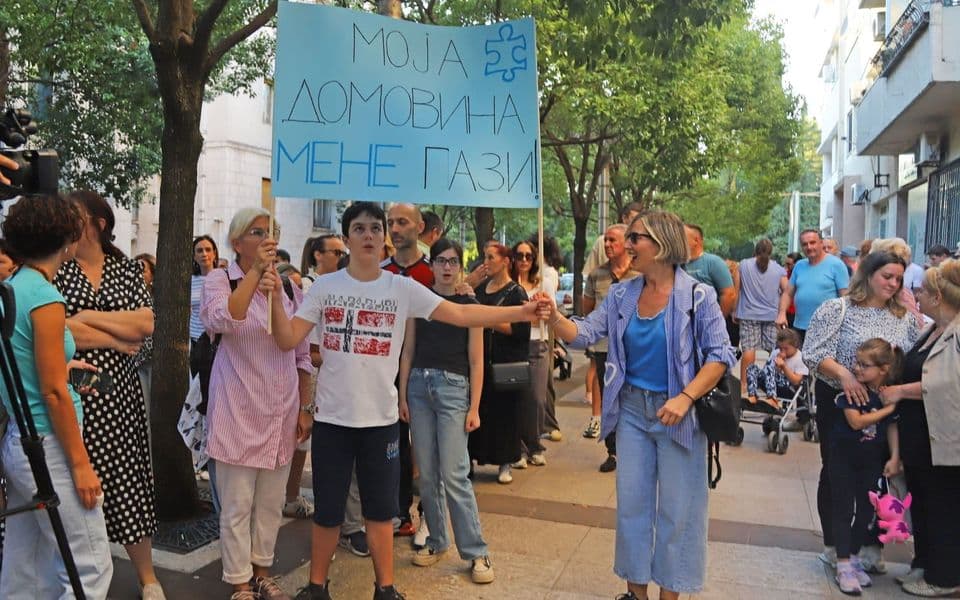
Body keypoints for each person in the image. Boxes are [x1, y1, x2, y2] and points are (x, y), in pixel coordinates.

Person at [268, 202, 542, 600]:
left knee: (381, 512)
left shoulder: (401, 288)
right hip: (333, 422)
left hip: (380, 424)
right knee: (328, 511)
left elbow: (461, 315)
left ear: (384, 239)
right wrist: (274, 297)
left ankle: (386, 589)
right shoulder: (325, 288)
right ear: (346, 238)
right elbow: (287, 339)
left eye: (375, 228)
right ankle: (316, 587)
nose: (368, 235)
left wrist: (524, 310)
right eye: (359, 228)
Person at [545, 210, 736, 600]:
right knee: (632, 508)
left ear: (662, 244)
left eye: (635, 238)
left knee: (678, 512)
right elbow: (585, 332)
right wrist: (552, 317)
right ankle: (636, 594)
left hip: (678, 416)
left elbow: (720, 356)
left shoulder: (698, 296)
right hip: (631, 411)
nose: (626, 245)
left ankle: (670, 595)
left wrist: (686, 397)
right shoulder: (622, 294)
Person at [0, 194, 113, 599]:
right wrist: (81, 465)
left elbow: (19, 364)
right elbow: (51, 392)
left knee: (27, 567)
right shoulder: (45, 297)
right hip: (49, 447)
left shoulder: (11, 288)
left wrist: (61, 369)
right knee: (90, 567)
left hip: (20, 440)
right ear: (67, 240)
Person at [54, 191, 163, 599]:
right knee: (78, 485)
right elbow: (58, 328)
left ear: (98, 223)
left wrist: (86, 317)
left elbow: (145, 323)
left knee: (128, 482)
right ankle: (79, 576)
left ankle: (147, 577)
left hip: (120, 397)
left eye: (75, 215)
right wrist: (115, 338)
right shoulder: (59, 267)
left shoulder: (125, 268)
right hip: (75, 393)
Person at [201, 208, 313, 600]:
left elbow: (301, 352)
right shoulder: (219, 279)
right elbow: (223, 318)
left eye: (270, 231)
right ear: (236, 242)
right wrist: (253, 276)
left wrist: (305, 407)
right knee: (237, 505)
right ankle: (239, 581)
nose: (267, 239)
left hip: (281, 410)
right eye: (257, 232)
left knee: (269, 503)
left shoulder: (288, 287)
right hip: (237, 408)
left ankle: (262, 571)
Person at [801, 250, 920, 574]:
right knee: (836, 473)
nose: (893, 284)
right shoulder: (837, 309)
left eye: (899, 279)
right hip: (839, 404)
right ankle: (834, 545)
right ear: (868, 274)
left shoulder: (904, 318)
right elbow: (813, 353)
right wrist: (845, 374)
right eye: (887, 276)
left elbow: (912, 359)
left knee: (875, 477)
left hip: (882, 409)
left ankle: (869, 545)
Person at [397, 238, 495, 584]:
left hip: (454, 390)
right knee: (426, 473)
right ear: (432, 264)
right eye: (441, 260)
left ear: (461, 266)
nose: (447, 267)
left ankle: (476, 550)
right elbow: (408, 351)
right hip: (418, 388)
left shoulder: (470, 304)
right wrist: (402, 396)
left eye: (453, 261)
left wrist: (475, 406)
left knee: (454, 474)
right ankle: (437, 540)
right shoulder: (419, 301)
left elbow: (477, 360)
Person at [879, 260, 960, 597]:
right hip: (919, 434)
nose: (916, 294)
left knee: (943, 507)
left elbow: (947, 383)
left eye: (922, 290)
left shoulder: (956, 333)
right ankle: (924, 563)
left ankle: (945, 576)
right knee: (923, 503)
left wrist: (899, 391)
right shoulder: (933, 329)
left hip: (943, 435)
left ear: (938, 297)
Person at [828, 338, 902, 595]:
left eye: (864, 365)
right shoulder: (852, 392)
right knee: (843, 509)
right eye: (856, 362)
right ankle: (842, 563)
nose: (857, 368)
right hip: (843, 458)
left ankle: (854, 557)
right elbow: (856, 422)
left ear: (883, 369)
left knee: (866, 512)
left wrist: (894, 457)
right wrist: (887, 410)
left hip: (870, 461)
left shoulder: (887, 394)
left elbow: (892, 427)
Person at [383, 203, 434, 538]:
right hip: (387, 370)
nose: (395, 229)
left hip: (428, 368)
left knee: (428, 447)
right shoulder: (381, 272)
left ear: (420, 226)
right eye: (391, 222)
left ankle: (429, 515)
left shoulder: (434, 272)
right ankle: (399, 513)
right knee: (395, 446)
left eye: (402, 222)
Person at [470, 243, 532, 484]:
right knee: (479, 410)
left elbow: (520, 330)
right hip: (480, 361)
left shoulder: (517, 292)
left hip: (505, 362)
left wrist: (488, 318)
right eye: (484, 257)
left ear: (505, 261)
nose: (486, 262)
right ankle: (473, 459)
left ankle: (506, 462)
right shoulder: (480, 288)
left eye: (491, 257)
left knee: (506, 415)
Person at [582, 224, 639, 473]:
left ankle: (634, 449)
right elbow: (588, 308)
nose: (606, 245)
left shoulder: (640, 273)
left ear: (626, 242)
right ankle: (613, 451)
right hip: (605, 348)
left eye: (612, 240)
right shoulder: (597, 275)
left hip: (635, 348)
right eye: (605, 240)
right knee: (609, 400)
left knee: (632, 398)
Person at [510, 240, 552, 468]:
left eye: (528, 256)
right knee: (517, 398)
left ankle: (535, 445)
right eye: (519, 255)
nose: (524, 260)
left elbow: (548, 316)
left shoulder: (542, 284)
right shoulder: (509, 285)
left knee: (537, 398)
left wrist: (524, 316)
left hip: (538, 344)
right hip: (514, 345)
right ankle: (518, 448)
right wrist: (528, 315)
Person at [776, 229, 850, 342]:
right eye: (805, 244)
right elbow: (787, 293)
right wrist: (782, 313)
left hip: (827, 329)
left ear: (821, 243)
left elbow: (845, 298)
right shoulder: (799, 266)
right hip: (799, 327)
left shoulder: (836, 265)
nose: (809, 247)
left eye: (812, 242)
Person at [735, 239, 788, 398]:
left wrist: (734, 311)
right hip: (772, 316)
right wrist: (782, 311)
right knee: (774, 350)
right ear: (771, 252)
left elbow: (736, 289)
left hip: (748, 314)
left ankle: (744, 385)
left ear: (755, 250)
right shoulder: (778, 269)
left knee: (749, 349)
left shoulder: (743, 265)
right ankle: (775, 384)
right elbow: (787, 290)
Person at [529, 232, 564, 441]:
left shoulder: (548, 273)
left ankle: (548, 423)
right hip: (539, 327)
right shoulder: (542, 271)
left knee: (545, 378)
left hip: (543, 328)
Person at [682, 223, 736, 317]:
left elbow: (729, 295)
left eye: (682, 237)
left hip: (708, 319)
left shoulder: (714, 262)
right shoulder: (678, 264)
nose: (678, 241)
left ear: (696, 240)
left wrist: (717, 320)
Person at [745, 327, 807, 408]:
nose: (783, 351)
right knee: (752, 367)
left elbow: (796, 381)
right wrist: (776, 366)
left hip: (788, 388)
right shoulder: (776, 353)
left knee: (771, 366)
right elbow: (766, 371)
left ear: (795, 346)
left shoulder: (800, 358)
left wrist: (784, 366)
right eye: (780, 348)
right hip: (771, 384)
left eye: (786, 349)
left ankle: (772, 398)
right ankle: (752, 395)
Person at [582, 202, 643, 277]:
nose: (638, 223)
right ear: (624, 218)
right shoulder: (602, 243)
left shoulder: (644, 244)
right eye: (634, 219)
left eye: (641, 220)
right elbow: (587, 275)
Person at [190, 235, 220, 355]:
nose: (204, 254)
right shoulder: (190, 281)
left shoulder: (223, 278)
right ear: (194, 256)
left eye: (208, 250)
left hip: (219, 339)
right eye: (199, 251)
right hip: (195, 339)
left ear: (214, 254)